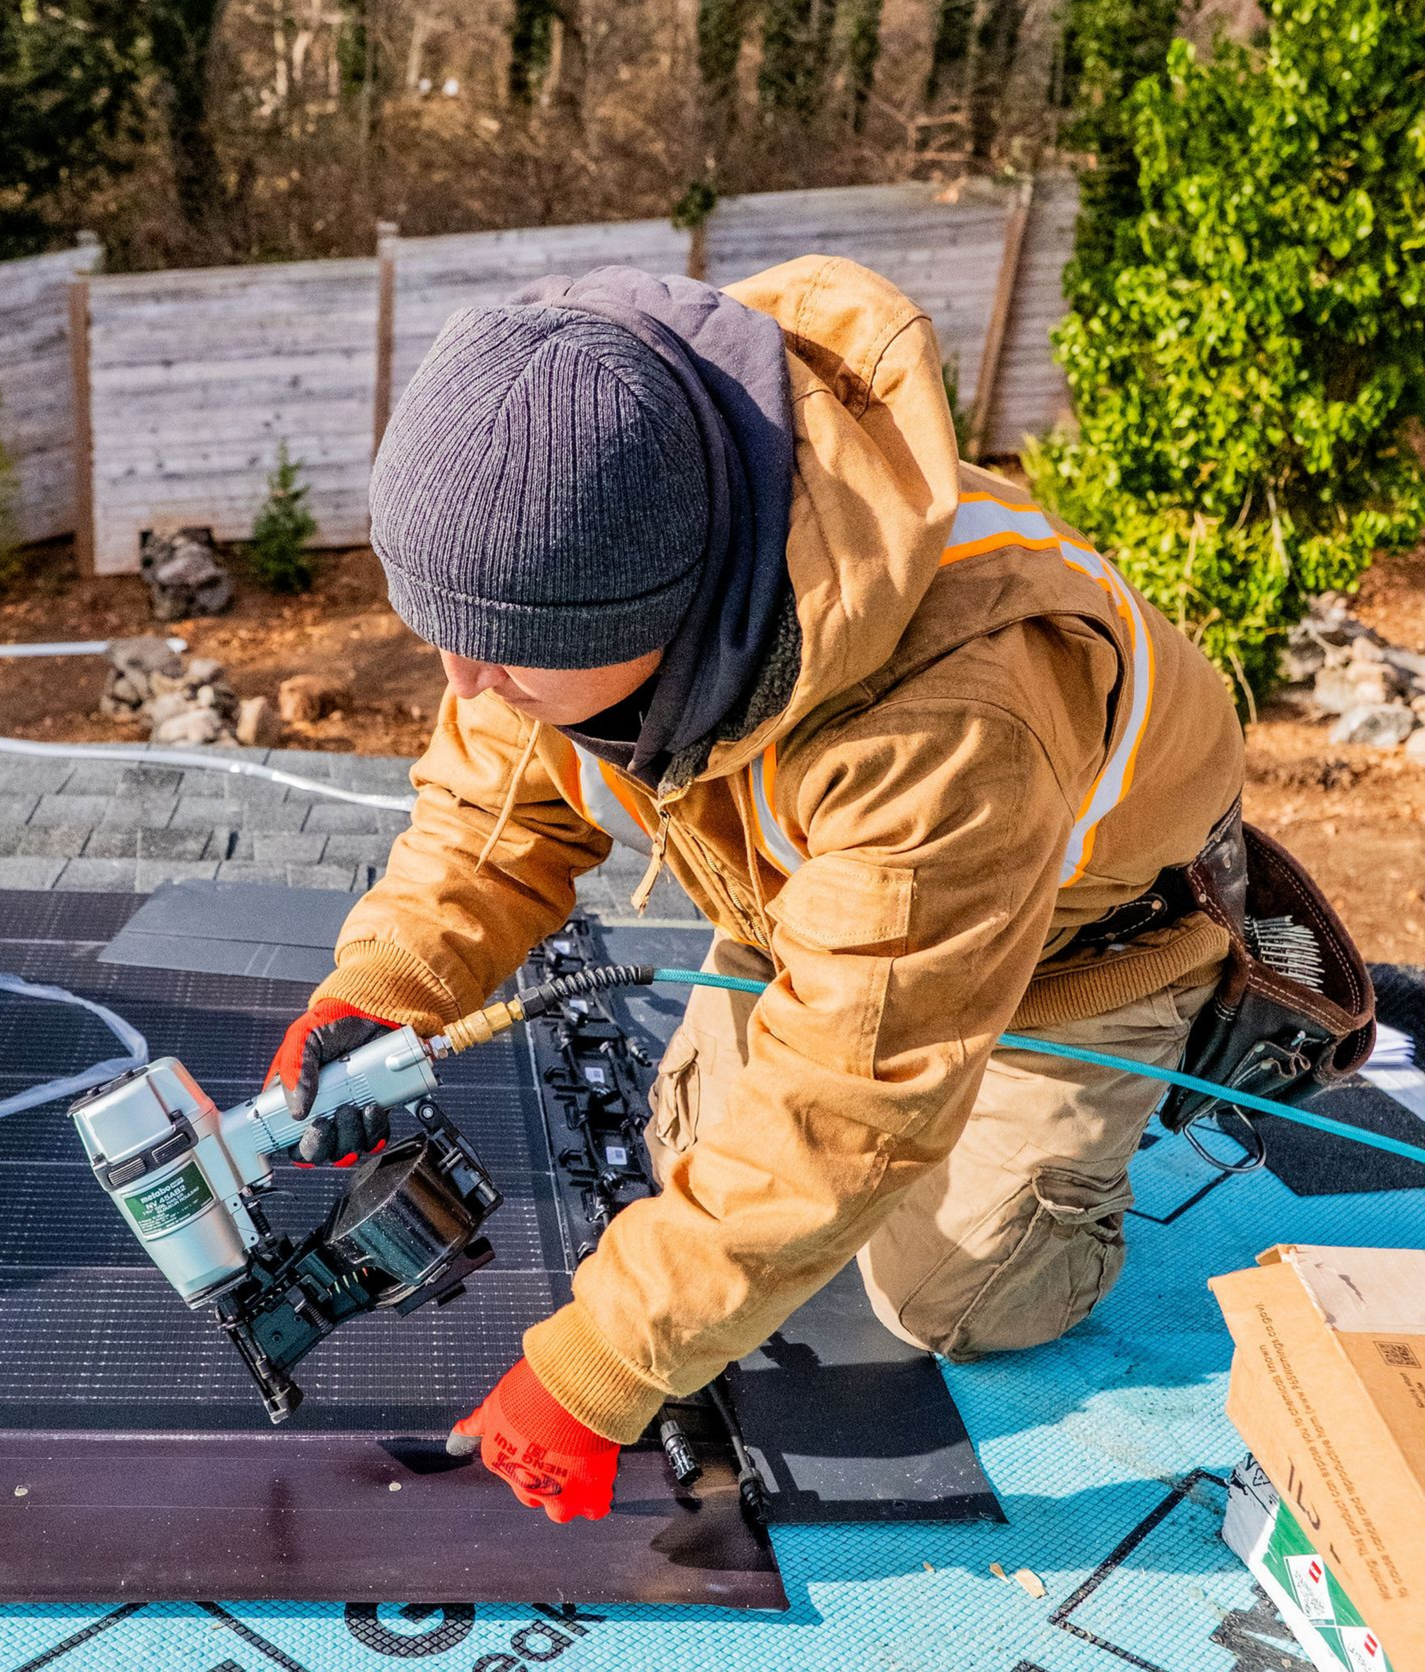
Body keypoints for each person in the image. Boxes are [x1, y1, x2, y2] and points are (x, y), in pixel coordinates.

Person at [262, 257, 1244, 1523]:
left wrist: (603, 1368)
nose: (464, 683)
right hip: (833, 898)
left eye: (505, 650)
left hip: (1075, 945)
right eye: (442, 633)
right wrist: (390, 984)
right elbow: (489, 821)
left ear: (662, 613)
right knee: (696, 1166)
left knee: (955, 1295)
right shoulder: (578, 567)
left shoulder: (945, 720)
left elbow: (848, 1096)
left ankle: (1150, 1066)